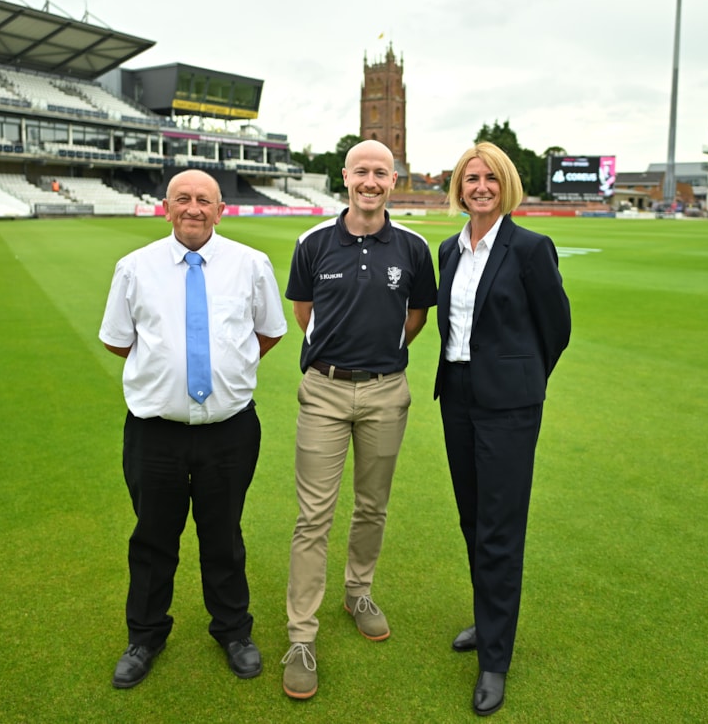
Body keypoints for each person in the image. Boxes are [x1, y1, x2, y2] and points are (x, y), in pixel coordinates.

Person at [98, 169, 287, 690]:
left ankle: (233, 631)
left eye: (204, 200)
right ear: (166, 207)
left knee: (223, 535)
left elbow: (268, 332)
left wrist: (224, 375)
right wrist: (168, 375)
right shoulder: (135, 268)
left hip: (229, 429)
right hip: (154, 431)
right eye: (183, 198)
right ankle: (145, 636)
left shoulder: (251, 264)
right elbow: (119, 340)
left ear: (220, 210)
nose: (193, 208)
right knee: (153, 538)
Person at [281, 139, 437, 701]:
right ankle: (301, 635)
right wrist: (335, 361)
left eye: (381, 172)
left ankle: (358, 591)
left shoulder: (414, 247)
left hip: (386, 392)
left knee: (372, 506)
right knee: (313, 516)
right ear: (344, 176)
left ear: (393, 180)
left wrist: (380, 362)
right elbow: (304, 313)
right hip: (323, 391)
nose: (370, 181)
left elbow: (415, 317)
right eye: (360, 171)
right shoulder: (313, 242)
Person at [433, 142, 571, 717]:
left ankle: (495, 658)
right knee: (472, 519)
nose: (481, 186)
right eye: (471, 178)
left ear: (506, 185)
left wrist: (520, 381)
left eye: (490, 178)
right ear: (459, 188)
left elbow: (556, 329)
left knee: (500, 529)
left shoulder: (531, 249)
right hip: (457, 398)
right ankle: (488, 619)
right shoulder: (449, 249)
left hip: (509, 406)